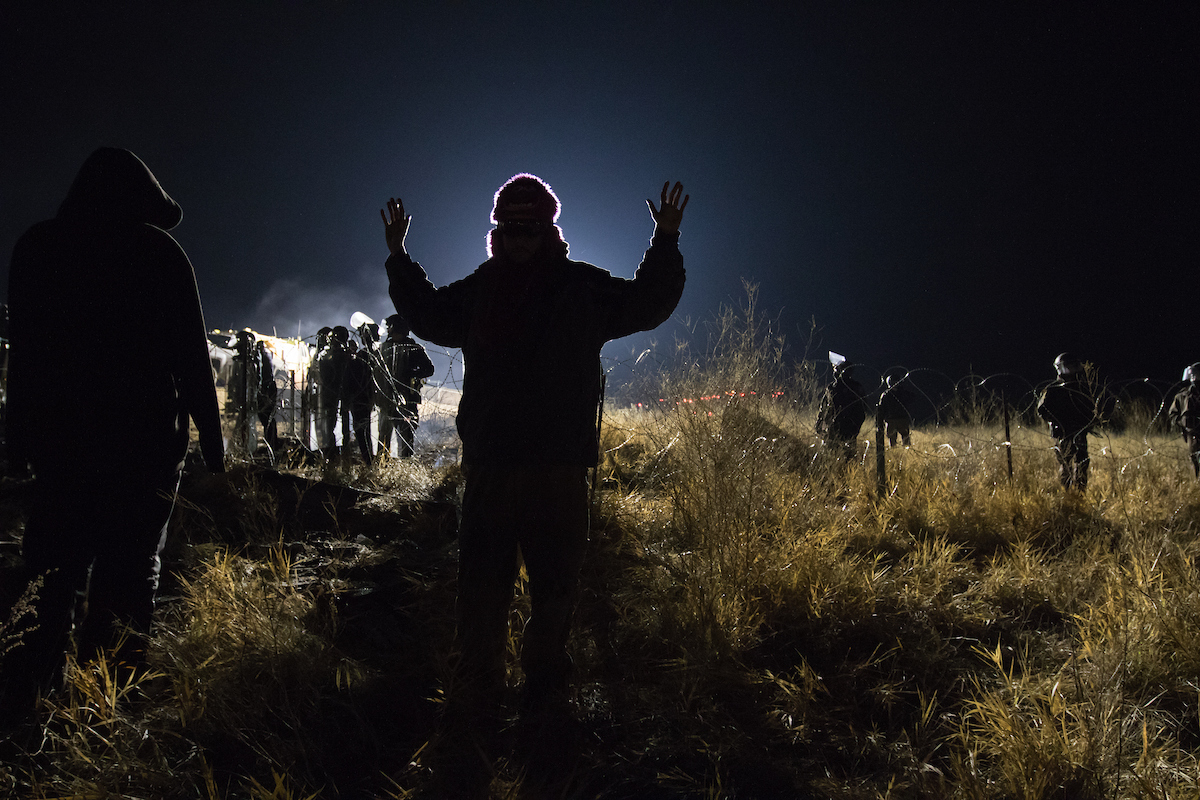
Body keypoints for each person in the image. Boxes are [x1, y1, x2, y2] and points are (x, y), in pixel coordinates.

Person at [381, 175, 687, 718]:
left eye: (529, 227)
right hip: (494, 468)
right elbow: (427, 313)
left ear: (548, 229)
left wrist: (665, 241)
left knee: (554, 586)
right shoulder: (482, 290)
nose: (519, 238)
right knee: (482, 588)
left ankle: (543, 693)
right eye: (509, 227)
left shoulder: (581, 289)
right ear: (497, 231)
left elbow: (646, 303)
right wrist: (399, 257)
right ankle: (481, 691)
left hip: (556, 469)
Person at [3, 148, 224, 717]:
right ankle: (109, 703)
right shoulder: (160, 253)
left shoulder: (37, 248)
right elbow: (192, 360)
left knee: (55, 573)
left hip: (61, 445)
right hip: (143, 448)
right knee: (128, 575)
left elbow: (25, 358)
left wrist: (16, 437)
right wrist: (212, 441)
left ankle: (31, 700)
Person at [1036, 352, 1108, 491]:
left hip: (1079, 431)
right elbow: (1043, 411)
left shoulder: (1083, 388)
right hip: (1062, 433)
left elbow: (1091, 408)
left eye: (1074, 366)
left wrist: (1089, 421)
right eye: (1070, 366)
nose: (1074, 369)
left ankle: (1080, 494)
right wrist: (1058, 420)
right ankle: (1068, 494)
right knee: (1066, 465)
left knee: (1082, 463)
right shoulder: (1054, 389)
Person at [375, 313, 434, 458]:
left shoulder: (414, 348)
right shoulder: (384, 348)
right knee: (384, 436)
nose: (388, 330)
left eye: (390, 327)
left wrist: (412, 373)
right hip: (386, 399)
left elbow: (429, 369)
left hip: (407, 399)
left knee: (406, 436)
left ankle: (405, 464)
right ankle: (382, 464)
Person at [816, 358, 868, 462]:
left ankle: (845, 474)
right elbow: (824, 407)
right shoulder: (833, 387)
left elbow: (862, 410)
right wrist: (820, 422)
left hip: (847, 426)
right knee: (831, 454)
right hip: (835, 426)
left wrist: (855, 427)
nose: (835, 372)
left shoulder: (850, 387)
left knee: (845, 456)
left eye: (837, 369)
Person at [344, 339, 375, 462]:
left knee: (361, 431)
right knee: (365, 431)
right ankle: (368, 458)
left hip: (357, 400)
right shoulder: (367, 365)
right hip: (364, 400)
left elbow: (347, 383)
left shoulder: (354, 364)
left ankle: (366, 457)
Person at [1168, 363, 1200, 478]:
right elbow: (1173, 414)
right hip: (1192, 436)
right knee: (1195, 464)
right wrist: (1183, 422)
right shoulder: (1182, 396)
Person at [878, 370, 913, 448]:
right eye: (893, 382)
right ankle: (894, 453)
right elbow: (881, 409)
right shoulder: (887, 395)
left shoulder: (903, 393)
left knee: (906, 439)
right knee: (892, 440)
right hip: (891, 419)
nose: (895, 384)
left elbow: (911, 400)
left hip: (902, 419)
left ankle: (906, 453)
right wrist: (880, 421)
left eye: (896, 382)